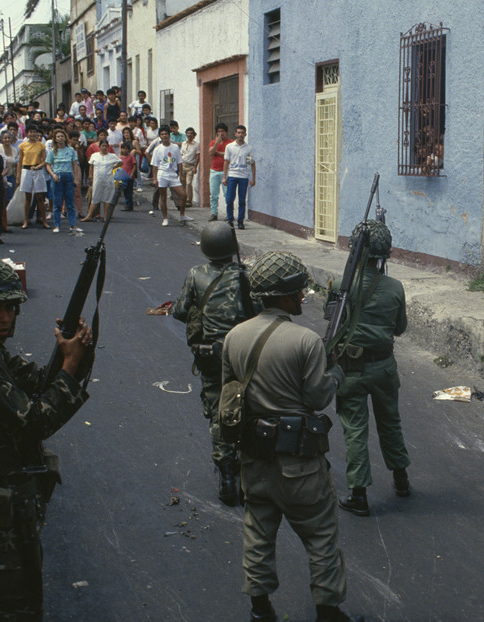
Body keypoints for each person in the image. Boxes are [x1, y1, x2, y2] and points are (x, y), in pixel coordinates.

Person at [0, 256, 92, 620]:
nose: (5, 318)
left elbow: (40, 381)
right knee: (15, 602)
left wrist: (76, 352)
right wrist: (70, 365)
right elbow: (34, 421)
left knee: (26, 588)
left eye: (10, 307)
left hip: (11, 494)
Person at [221, 251, 362, 622]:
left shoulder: (234, 337)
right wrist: (336, 372)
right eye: (298, 291)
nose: (302, 296)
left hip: (254, 459)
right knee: (321, 536)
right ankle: (328, 613)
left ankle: (260, 610)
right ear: (283, 296)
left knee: (257, 535)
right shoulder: (306, 341)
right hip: (300, 465)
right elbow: (317, 398)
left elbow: (229, 396)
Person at [174, 223, 259, 506]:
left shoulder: (195, 275)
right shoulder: (244, 276)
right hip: (243, 355)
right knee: (246, 406)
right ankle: (247, 473)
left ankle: (226, 476)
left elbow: (180, 310)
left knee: (218, 412)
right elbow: (258, 312)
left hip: (211, 357)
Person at [333, 220, 411, 517]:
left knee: (355, 430)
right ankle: (401, 480)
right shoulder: (395, 287)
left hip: (351, 370)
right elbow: (399, 328)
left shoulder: (341, 286)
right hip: (384, 368)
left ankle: (359, 494)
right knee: (390, 422)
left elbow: (333, 327)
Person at [46, 129, 81, 235]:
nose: (60, 138)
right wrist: (53, 175)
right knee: (57, 202)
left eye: (62, 136)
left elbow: (74, 164)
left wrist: (75, 178)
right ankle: (57, 225)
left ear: (65, 138)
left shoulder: (71, 150)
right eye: (58, 137)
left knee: (70, 202)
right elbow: (48, 164)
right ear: (55, 139)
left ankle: (73, 224)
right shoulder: (52, 151)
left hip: (68, 175)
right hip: (57, 176)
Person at [150, 126, 187, 227]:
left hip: (173, 174)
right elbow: (154, 165)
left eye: (166, 134)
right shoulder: (157, 149)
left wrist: (181, 175)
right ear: (160, 136)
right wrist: (154, 178)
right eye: (162, 134)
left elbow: (179, 162)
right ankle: (165, 218)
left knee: (183, 194)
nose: (164, 136)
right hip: (162, 174)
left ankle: (182, 215)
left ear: (169, 135)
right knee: (163, 197)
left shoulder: (175, 147)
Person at [223, 124, 256, 229]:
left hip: (244, 176)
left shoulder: (249, 148)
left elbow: (252, 163)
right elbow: (226, 162)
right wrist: (224, 176)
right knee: (229, 199)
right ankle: (230, 220)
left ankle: (240, 221)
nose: (240, 135)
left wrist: (253, 178)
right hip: (232, 175)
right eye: (238, 132)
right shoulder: (229, 147)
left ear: (245, 134)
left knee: (242, 200)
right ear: (235, 134)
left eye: (242, 133)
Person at [17, 124, 48, 229]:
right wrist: (18, 176)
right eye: (30, 132)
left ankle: (43, 220)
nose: (33, 134)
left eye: (34, 132)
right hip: (26, 170)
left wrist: (38, 166)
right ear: (27, 133)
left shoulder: (41, 145)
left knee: (40, 196)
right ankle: (26, 220)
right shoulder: (23, 146)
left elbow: (45, 160)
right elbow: (20, 161)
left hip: (38, 170)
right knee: (28, 196)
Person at [83, 139, 120, 222]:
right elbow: (91, 166)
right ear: (99, 147)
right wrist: (90, 176)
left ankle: (106, 216)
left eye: (106, 146)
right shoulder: (94, 155)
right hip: (97, 180)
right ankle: (89, 215)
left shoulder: (112, 156)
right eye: (102, 146)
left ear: (108, 147)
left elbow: (120, 162)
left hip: (108, 180)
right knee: (95, 197)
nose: (104, 148)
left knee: (107, 198)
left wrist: (113, 167)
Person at [180, 127, 200, 209]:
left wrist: (195, 167)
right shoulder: (183, 143)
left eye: (191, 133)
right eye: (188, 133)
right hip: (183, 165)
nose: (189, 135)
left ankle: (189, 201)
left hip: (191, 166)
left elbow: (198, 156)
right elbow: (181, 154)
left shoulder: (196, 145)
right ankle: (183, 200)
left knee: (188, 183)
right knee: (182, 183)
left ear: (194, 135)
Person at [116, 141, 137, 211]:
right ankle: (128, 204)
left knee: (129, 191)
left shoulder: (131, 157)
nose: (125, 150)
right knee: (125, 190)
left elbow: (134, 166)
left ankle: (129, 205)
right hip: (123, 176)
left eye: (126, 149)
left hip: (129, 176)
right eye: (123, 148)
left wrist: (132, 174)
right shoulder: (120, 157)